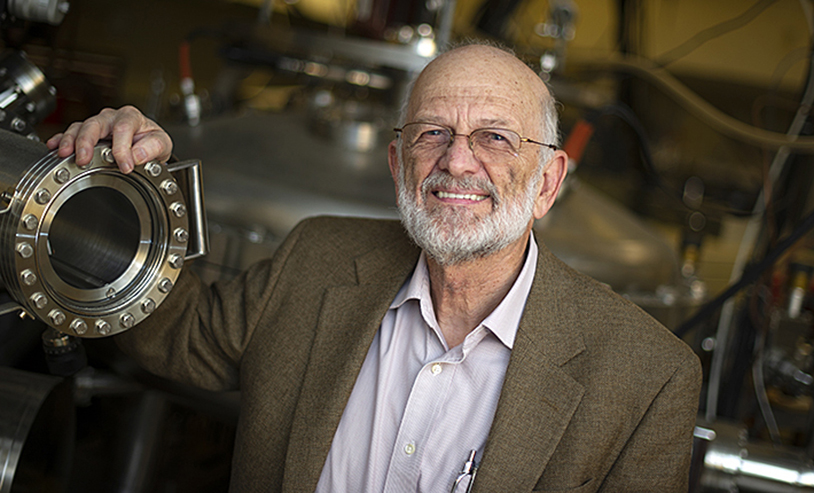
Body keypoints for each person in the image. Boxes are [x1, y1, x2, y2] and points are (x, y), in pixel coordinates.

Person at [49, 43, 701, 492]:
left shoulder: (647, 378)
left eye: (496, 137)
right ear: (397, 165)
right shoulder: (317, 259)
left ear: (549, 181)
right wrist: (115, 195)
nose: (457, 161)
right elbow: (178, 333)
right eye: (431, 132)